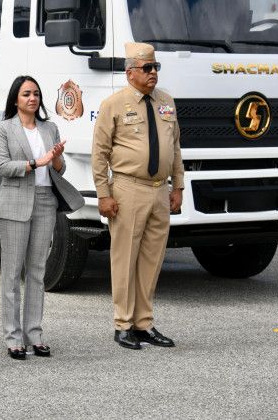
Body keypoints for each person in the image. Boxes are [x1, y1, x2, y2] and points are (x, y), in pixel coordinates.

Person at [91, 42, 184, 350]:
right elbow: (100, 153)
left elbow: (176, 149)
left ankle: (144, 323)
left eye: (155, 67)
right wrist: (104, 195)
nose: (153, 73)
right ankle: (122, 324)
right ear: (130, 72)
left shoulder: (166, 102)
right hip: (129, 188)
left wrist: (179, 187)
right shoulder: (114, 104)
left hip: (159, 190)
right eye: (147, 68)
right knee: (124, 259)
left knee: (151, 259)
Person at [0, 76, 84, 360]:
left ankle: (35, 334)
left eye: (35, 94)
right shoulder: (3, 128)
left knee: (37, 272)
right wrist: (35, 163)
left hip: (45, 200)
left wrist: (55, 158)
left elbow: (60, 168)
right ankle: (13, 338)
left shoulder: (50, 127)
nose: (32, 98)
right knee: (12, 272)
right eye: (26, 94)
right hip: (15, 201)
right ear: (15, 99)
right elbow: (3, 166)